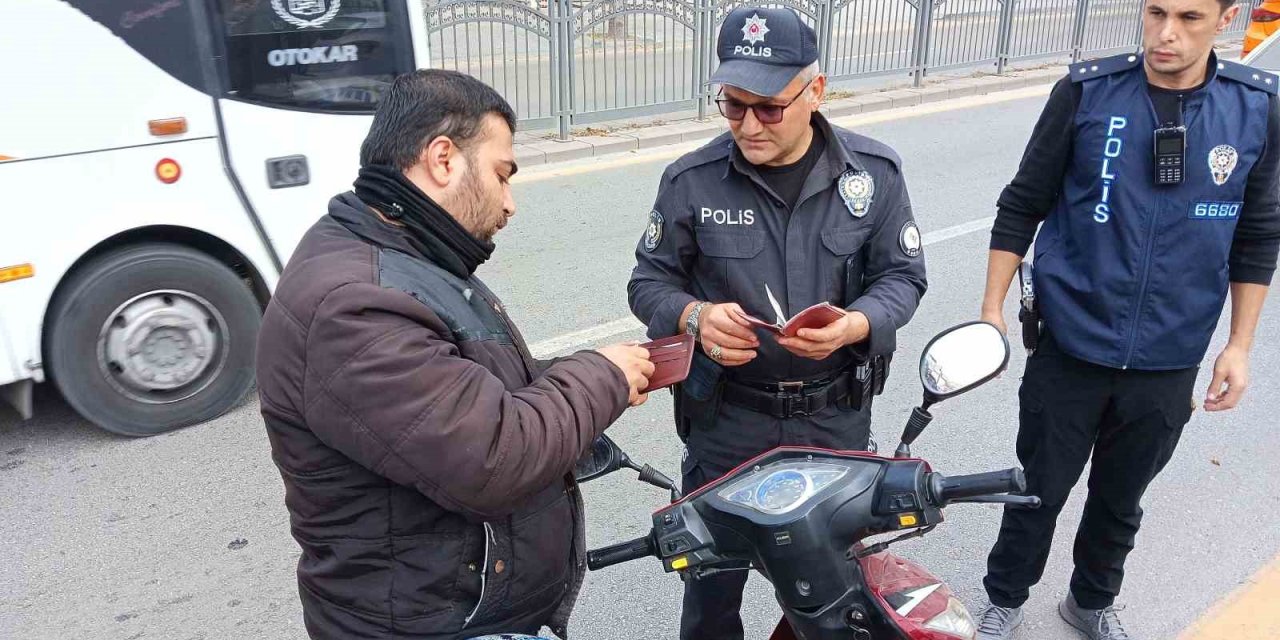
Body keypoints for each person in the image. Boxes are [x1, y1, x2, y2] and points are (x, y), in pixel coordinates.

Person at [255, 69, 655, 640]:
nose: (510, 204)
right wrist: (600, 376)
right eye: (501, 175)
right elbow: (492, 455)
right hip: (434, 624)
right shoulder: (356, 304)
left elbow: (465, 389)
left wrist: (592, 376)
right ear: (443, 159)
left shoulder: (402, 256)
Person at [973, 1, 1280, 638]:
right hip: (1071, 344)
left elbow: (1258, 236)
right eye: (1156, 11)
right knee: (1037, 489)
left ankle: (1089, 602)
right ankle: (1004, 597)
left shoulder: (1256, 108)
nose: (1167, 33)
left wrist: (1239, 346)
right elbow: (1022, 203)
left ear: (1226, 20)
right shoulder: (1088, 92)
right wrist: (990, 313)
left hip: (1169, 357)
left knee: (1120, 499)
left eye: (1190, 17)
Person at [627, 7, 928, 639]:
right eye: (732, 106)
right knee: (711, 598)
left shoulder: (873, 176)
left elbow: (903, 278)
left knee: (840, 597)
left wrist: (856, 324)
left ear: (815, 91)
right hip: (728, 426)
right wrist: (694, 315)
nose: (748, 125)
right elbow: (648, 281)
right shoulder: (691, 180)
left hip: (834, 419)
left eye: (768, 107)